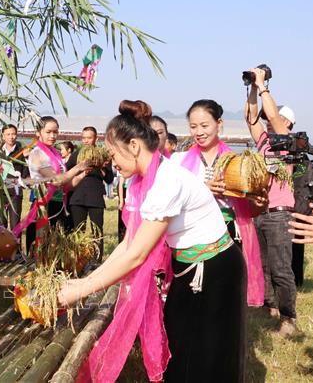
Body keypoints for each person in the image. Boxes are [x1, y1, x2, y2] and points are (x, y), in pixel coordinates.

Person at [58, 100, 246, 383]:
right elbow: (128, 243)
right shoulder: (145, 179)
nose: (111, 162)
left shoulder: (166, 181)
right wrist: (87, 281)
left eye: (112, 153)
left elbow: (136, 255)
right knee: (180, 348)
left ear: (133, 146)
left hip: (215, 270)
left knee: (209, 357)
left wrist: (83, 289)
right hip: (190, 269)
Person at [171, 99, 264, 306]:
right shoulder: (178, 161)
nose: (199, 132)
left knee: (225, 295)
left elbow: (251, 211)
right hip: (191, 234)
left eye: (205, 125)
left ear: (219, 124)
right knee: (193, 295)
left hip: (228, 234)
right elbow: (171, 199)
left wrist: (259, 201)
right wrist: (202, 189)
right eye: (193, 126)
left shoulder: (237, 163)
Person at [244, 66, 298, 336]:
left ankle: (289, 319)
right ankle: (270, 307)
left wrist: (264, 85)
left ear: (288, 124)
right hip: (261, 211)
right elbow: (251, 118)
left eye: (274, 119)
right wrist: (252, 87)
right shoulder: (264, 142)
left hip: (279, 214)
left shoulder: (286, 142)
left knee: (280, 268)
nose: (267, 120)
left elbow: (273, 115)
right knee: (262, 266)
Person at [14, 117, 86, 252]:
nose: (52, 136)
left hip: (58, 204)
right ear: (38, 132)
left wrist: (83, 174)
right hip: (44, 205)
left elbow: (67, 185)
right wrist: (78, 168)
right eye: (48, 132)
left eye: (55, 132)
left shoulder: (56, 154)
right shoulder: (37, 153)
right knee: (41, 247)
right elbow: (56, 180)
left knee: (55, 247)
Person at [66, 126, 114, 260]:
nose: (86, 141)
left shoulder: (102, 154)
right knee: (77, 231)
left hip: (95, 198)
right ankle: (77, 259)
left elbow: (109, 179)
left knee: (97, 231)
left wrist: (102, 167)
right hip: (77, 197)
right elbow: (67, 173)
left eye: (89, 138)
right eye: (84, 138)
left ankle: (96, 260)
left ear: (95, 138)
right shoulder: (77, 154)